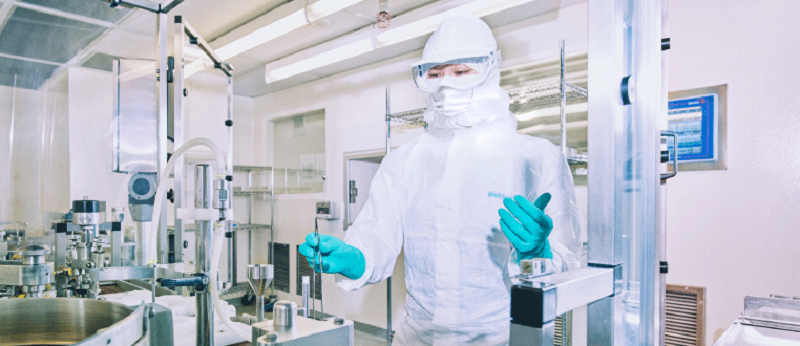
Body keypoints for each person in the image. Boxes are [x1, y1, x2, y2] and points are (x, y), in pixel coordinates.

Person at [299, 15, 581, 345]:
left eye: (460, 72)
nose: (445, 84)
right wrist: (353, 257)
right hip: (416, 337)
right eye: (434, 74)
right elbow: (377, 237)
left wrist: (539, 251)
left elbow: (567, 266)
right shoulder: (403, 161)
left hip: (498, 338)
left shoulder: (534, 157)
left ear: (491, 69)